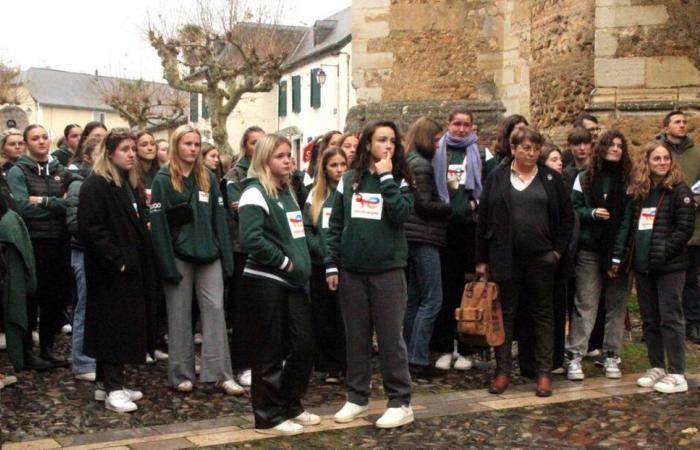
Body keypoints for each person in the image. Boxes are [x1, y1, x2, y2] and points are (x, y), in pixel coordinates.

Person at [326, 120, 415, 429]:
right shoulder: (349, 179)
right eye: (381, 140)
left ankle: (400, 401)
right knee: (356, 338)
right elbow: (335, 224)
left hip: (388, 272)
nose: (387, 145)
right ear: (367, 145)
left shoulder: (401, 179)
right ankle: (357, 396)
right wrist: (331, 263)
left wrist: (388, 177)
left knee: (391, 339)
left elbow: (401, 214)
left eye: (392, 141)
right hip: (352, 272)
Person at [476, 128, 573, 397]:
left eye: (535, 148)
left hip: (542, 258)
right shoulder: (497, 178)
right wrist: (481, 260)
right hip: (506, 257)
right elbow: (483, 219)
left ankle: (543, 372)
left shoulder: (551, 179)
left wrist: (556, 252)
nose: (531, 153)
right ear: (514, 148)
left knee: (543, 313)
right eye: (526, 147)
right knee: (505, 313)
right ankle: (503, 370)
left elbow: (567, 218)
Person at [149, 124, 241, 395]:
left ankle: (220, 373)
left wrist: (226, 258)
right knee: (178, 314)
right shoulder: (163, 179)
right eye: (187, 143)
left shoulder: (208, 178)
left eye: (196, 144)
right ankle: (181, 374)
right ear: (177, 145)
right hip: (178, 255)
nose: (192, 148)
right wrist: (166, 263)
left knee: (215, 310)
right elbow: (159, 225)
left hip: (208, 254)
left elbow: (219, 220)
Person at [238, 134, 317, 436]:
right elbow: (251, 239)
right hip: (267, 282)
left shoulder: (287, 191)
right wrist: (284, 262)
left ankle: (290, 404)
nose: (288, 160)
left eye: (289, 155)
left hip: (294, 282)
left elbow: (297, 234)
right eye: (280, 156)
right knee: (269, 351)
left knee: (303, 345)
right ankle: (268, 416)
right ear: (265, 160)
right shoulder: (255, 192)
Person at [78, 128, 157, 413]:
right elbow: (91, 228)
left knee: (119, 326)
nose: (132, 154)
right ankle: (112, 389)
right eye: (125, 149)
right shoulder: (97, 185)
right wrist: (117, 260)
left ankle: (106, 384)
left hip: (128, 267)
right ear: (109, 153)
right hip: (110, 272)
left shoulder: (126, 183)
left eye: (133, 149)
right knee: (113, 328)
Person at [613, 141, 694, 394]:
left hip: (670, 266)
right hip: (643, 265)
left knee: (671, 318)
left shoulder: (680, 191)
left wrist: (664, 251)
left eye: (665, 158)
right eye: (656, 159)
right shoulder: (642, 191)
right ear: (647, 162)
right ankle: (657, 365)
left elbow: (684, 229)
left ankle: (677, 372)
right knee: (650, 319)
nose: (661, 163)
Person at [7, 124, 77, 368]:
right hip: (32, 241)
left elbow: (73, 203)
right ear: (27, 143)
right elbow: (23, 208)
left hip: (59, 241)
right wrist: (58, 203)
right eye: (35, 138)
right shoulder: (18, 172)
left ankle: (47, 348)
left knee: (54, 298)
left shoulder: (61, 170)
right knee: (31, 297)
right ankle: (27, 351)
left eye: (44, 137)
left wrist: (45, 201)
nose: (41, 141)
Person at [567, 130, 633, 381]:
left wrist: (617, 257)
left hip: (617, 251)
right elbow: (574, 209)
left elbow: (627, 220)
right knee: (586, 303)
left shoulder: (627, 182)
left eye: (620, 145)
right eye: (611, 145)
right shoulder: (584, 178)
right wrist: (591, 213)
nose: (615, 149)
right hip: (590, 249)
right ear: (602, 148)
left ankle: (611, 354)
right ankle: (575, 355)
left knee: (616, 306)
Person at [430, 108, 485, 372]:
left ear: (473, 128)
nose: (461, 129)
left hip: (468, 230)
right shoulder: (438, 151)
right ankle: (444, 346)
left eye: (466, 125)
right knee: (444, 290)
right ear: (448, 125)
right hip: (442, 228)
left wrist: (475, 205)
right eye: (457, 124)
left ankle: (465, 348)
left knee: (468, 292)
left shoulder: (479, 153)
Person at [403, 117, 451, 380]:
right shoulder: (421, 164)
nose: (438, 145)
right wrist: (449, 203)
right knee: (432, 299)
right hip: (424, 237)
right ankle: (417, 358)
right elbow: (424, 205)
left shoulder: (411, 161)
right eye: (435, 140)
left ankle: (409, 355)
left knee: (415, 299)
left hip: (413, 236)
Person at [222, 125, 264, 388]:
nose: (258, 147)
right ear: (244, 146)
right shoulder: (234, 175)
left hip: (268, 248)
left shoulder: (270, 171)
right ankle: (243, 363)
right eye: (253, 143)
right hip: (242, 249)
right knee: (243, 309)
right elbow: (241, 211)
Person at [303, 146, 348, 384]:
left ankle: (346, 364)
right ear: (325, 168)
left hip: (345, 262)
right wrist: (321, 250)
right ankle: (328, 364)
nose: (339, 169)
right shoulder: (315, 194)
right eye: (334, 165)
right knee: (323, 315)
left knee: (344, 316)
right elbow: (307, 229)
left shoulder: (351, 190)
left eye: (343, 164)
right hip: (320, 263)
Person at [657, 111, 700, 345]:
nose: (682, 125)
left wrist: (695, 201)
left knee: (691, 278)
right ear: (666, 128)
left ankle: (692, 323)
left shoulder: (697, 154)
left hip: (692, 228)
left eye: (684, 122)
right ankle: (660, 324)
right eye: (677, 122)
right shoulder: (658, 153)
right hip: (663, 226)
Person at [66, 138, 101, 381]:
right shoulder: (80, 184)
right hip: (84, 251)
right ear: (88, 156)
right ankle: (82, 362)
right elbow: (74, 222)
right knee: (85, 306)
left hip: (100, 253)